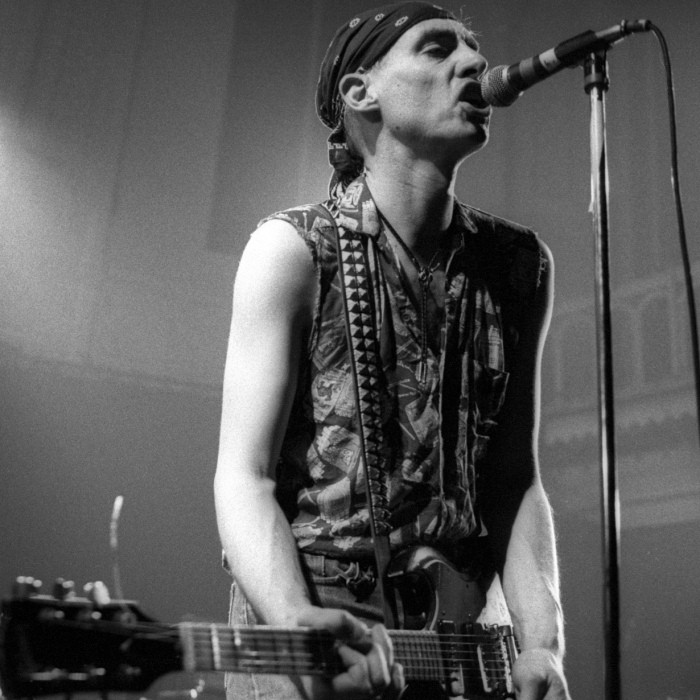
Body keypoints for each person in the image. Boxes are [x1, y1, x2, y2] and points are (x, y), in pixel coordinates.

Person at [214, 3, 571, 698]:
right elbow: (243, 477)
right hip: (320, 610)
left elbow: (514, 481)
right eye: (437, 49)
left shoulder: (520, 264)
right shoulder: (292, 250)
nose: (474, 63)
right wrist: (294, 619)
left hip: (468, 630)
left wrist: (542, 644)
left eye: (473, 48)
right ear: (361, 92)